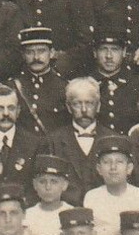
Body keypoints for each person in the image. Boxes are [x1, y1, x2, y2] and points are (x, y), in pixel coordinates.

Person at [39, 75, 118, 204]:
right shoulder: (52, 141)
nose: (84, 110)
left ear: (98, 106)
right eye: (77, 104)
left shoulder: (112, 139)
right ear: (69, 107)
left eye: (89, 103)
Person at [84, 134, 139, 235]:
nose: (113, 168)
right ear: (99, 169)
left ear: (129, 168)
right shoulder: (92, 197)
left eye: (119, 162)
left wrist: (107, 229)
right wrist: (122, 228)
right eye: (107, 162)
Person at [8, 24, 72, 135]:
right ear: (23, 55)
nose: (36, 57)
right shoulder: (12, 86)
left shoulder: (65, 87)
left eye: (41, 51)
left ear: (51, 53)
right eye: (30, 52)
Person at [23, 154, 75, 235]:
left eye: (54, 182)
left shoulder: (72, 213)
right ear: (34, 185)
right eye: (42, 182)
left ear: (64, 185)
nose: (48, 187)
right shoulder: (27, 215)